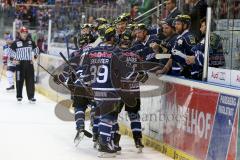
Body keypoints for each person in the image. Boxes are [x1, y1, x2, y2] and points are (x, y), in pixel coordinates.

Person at [9, 26, 39, 102]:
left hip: (29, 64)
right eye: (23, 32)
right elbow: (10, 53)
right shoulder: (16, 43)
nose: (24, 34)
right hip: (20, 64)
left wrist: (34, 58)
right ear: (20, 33)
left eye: (26, 32)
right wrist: (14, 61)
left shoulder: (30, 42)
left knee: (30, 81)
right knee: (19, 80)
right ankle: (19, 96)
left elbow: (36, 50)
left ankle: (31, 97)